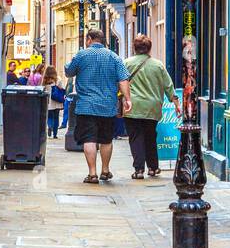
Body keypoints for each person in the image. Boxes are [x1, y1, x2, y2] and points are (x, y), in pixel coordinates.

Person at [64, 28, 131, 183]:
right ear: (102, 40)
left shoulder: (82, 55)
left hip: (86, 106)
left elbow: (68, 71)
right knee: (106, 139)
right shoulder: (114, 57)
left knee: (89, 139)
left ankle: (92, 173)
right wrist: (127, 99)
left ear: (89, 39)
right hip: (107, 106)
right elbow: (123, 80)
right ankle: (105, 170)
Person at [123, 34, 179, 179]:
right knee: (150, 136)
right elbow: (168, 85)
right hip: (152, 107)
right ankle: (153, 168)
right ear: (149, 49)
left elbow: (120, 82)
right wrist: (176, 103)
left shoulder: (127, 63)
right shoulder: (157, 65)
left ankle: (139, 169)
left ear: (134, 48)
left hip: (132, 106)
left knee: (135, 137)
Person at [43, 65, 65, 137]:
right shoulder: (58, 79)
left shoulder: (44, 79)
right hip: (57, 101)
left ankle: (49, 126)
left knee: (49, 116)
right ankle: (55, 134)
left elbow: (42, 88)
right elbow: (61, 88)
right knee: (56, 117)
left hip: (48, 101)